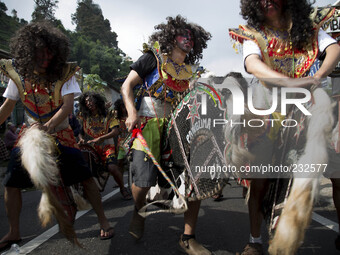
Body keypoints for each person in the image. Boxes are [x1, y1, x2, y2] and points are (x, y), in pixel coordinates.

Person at [229, 1, 340, 254]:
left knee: (337, 171)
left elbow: (333, 48)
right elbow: (252, 64)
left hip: (310, 101)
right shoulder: (253, 33)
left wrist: (318, 76)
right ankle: (254, 240)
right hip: (270, 108)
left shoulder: (308, 28)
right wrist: (290, 83)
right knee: (259, 181)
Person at [0, 21, 114, 252]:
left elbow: (67, 106)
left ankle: (103, 219)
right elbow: (8, 106)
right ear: (28, 51)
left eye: (49, 52)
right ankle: (14, 231)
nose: (45, 57)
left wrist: (50, 126)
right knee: (11, 181)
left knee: (85, 176)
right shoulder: (17, 74)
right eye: (39, 52)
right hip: (30, 136)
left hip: (62, 134)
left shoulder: (65, 73)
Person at [121, 15, 211, 254]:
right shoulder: (153, 58)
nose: (188, 40)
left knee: (195, 177)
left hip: (179, 126)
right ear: (171, 37)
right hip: (148, 122)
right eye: (184, 35)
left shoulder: (192, 71)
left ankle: (188, 237)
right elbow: (127, 85)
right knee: (143, 180)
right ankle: (138, 210)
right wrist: (132, 112)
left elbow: (196, 102)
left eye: (192, 37)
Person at [77, 92, 131, 200]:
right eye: (86, 102)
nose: (89, 103)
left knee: (112, 168)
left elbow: (116, 131)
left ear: (97, 101)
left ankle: (123, 189)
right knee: (86, 169)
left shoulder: (109, 114)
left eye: (91, 100)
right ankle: (89, 194)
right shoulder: (83, 116)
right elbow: (79, 131)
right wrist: (81, 139)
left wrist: (101, 138)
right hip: (91, 148)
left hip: (107, 147)